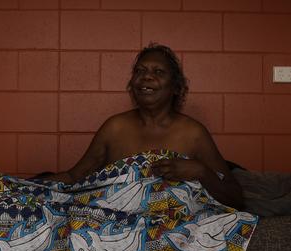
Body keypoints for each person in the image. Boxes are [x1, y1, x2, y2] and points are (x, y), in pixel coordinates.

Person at [46, 43, 243, 210]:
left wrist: (201, 171)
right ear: (132, 84)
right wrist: (26, 186)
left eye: (158, 72)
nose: (147, 77)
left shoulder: (193, 134)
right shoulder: (115, 128)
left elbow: (236, 199)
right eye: (140, 71)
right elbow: (75, 176)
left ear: (175, 87)